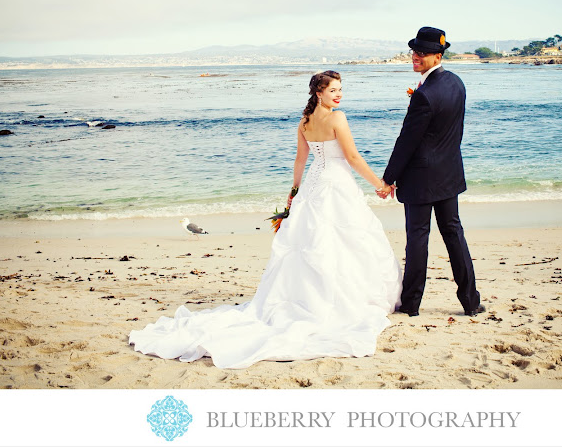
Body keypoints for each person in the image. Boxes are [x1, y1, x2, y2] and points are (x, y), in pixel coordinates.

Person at [129, 70, 402, 369]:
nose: (338, 94)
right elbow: (352, 158)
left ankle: (309, 297)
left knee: (316, 243)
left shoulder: (305, 122)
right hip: (336, 184)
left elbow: (301, 161)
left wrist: (295, 192)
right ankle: (344, 300)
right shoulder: (338, 118)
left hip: (314, 184)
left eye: (340, 89)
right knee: (344, 240)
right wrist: (379, 184)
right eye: (333, 90)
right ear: (319, 93)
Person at [377, 26, 483, 318]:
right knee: (454, 235)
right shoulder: (456, 83)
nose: (416, 56)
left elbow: (407, 142)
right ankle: (471, 302)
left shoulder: (423, 95)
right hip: (448, 174)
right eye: (414, 51)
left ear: (438, 55)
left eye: (422, 53)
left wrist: (388, 179)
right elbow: (453, 132)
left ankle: (411, 304)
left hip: (421, 179)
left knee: (418, 239)